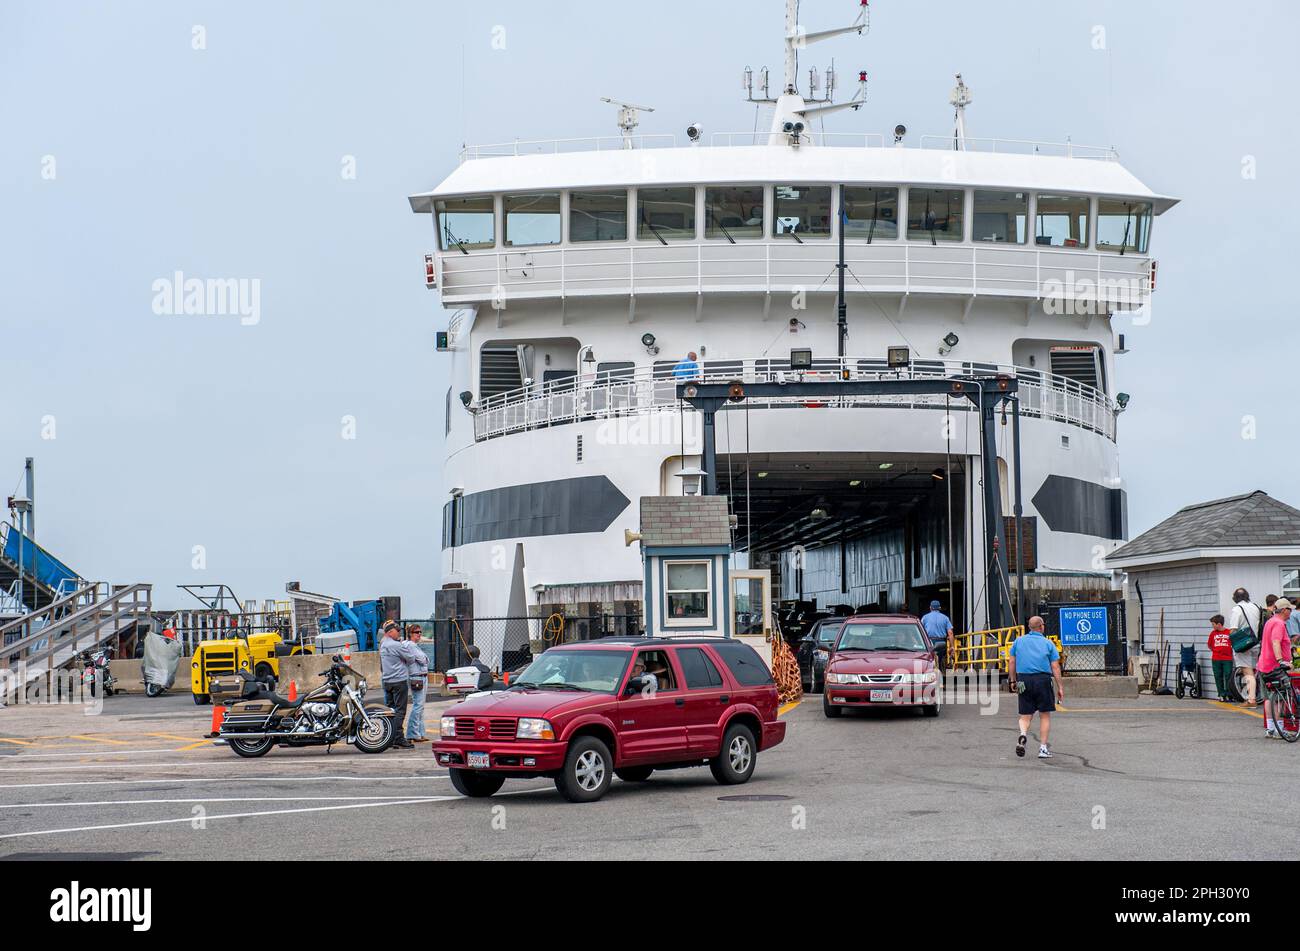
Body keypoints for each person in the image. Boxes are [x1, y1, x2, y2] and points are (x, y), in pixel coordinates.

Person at [1007, 616, 1064, 760]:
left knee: (1025, 715)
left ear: (1029, 627)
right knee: (1044, 715)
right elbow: (1055, 666)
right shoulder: (1047, 643)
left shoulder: (1018, 641)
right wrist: (1060, 687)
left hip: (1022, 680)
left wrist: (1013, 681)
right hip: (1042, 680)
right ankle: (1043, 749)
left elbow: (1012, 661)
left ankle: (1023, 734)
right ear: (1041, 627)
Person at [379, 621, 425, 750]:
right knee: (400, 711)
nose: (399, 632)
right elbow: (410, 659)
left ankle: (389, 738)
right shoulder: (396, 645)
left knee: (390, 710)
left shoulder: (383, 644)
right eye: (396, 630)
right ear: (389, 632)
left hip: (387, 680)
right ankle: (398, 738)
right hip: (398, 681)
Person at [1258, 599, 1295, 739]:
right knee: (1281, 698)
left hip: (1263, 664)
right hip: (1275, 666)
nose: (1291, 612)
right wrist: (1281, 661)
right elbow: (1276, 642)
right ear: (1284, 609)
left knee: (1268, 698)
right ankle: (1280, 729)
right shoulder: (1279, 624)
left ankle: (1271, 729)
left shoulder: (1270, 621)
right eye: (1289, 609)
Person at [1229, 588, 1263, 706]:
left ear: (1235, 598)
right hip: (1256, 642)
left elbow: (1233, 629)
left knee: (1247, 672)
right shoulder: (1255, 607)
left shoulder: (1237, 609)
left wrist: (1232, 643)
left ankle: (1251, 699)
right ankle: (1255, 696)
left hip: (1243, 644)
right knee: (1254, 672)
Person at [404, 625, 429, 743]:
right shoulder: (411, 646)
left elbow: (424, 660)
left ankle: (420, 732)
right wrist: (424, 659)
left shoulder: (413, 646)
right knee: (418, 706)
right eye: (416, 632)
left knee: (420, 706)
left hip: (420, 676)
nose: (419, 634)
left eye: (420, 632)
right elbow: (424, 660)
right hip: (417, 677)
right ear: (410, 634)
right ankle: (412, 733)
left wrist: (424, 659)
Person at [1206, 614, 1235, 702]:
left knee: (1228, 675)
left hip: (1227, 658)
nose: (1212, 626)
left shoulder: (1228, 632)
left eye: (1213, 624)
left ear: (1219, 624)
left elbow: (1233, 643)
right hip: (1216, 658)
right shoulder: (1213, 633)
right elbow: (1210, 645)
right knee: (1218, 676)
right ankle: (1221, 694)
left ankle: (1229, 694)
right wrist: (1216, 651)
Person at [921, 600, 955, 672]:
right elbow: (950, 633)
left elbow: (920, 631)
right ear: (940, 608)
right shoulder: (945, 618)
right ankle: (940, 671)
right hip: (941, 642)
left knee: (928, 659)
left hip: (928, 642)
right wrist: (952, 646)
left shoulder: (925, 617)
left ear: (930, 608)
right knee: (941, 659)